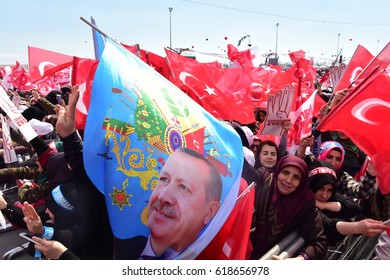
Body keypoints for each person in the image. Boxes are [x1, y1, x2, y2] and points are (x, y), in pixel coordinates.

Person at [115, 147, 223, 259]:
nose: (163, 196)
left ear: (209, 212)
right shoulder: (114, 243)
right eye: (164, 179)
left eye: (183, 187)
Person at [242, 154, 327, 260]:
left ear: (302, 182)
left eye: (296, 177)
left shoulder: (305, 204)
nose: (288, 180)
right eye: (285, 173)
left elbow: (319, 244)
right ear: (278, 171)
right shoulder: (263, 179)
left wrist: (298, 259)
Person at [307, 160, 389, 246]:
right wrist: (357, 227)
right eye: (321, 188)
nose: (324, 195)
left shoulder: (337, 186)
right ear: (312, 185)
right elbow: (327, 223)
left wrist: (323, 205)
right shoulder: (305, 204)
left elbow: (354, 207)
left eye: (329, 190)